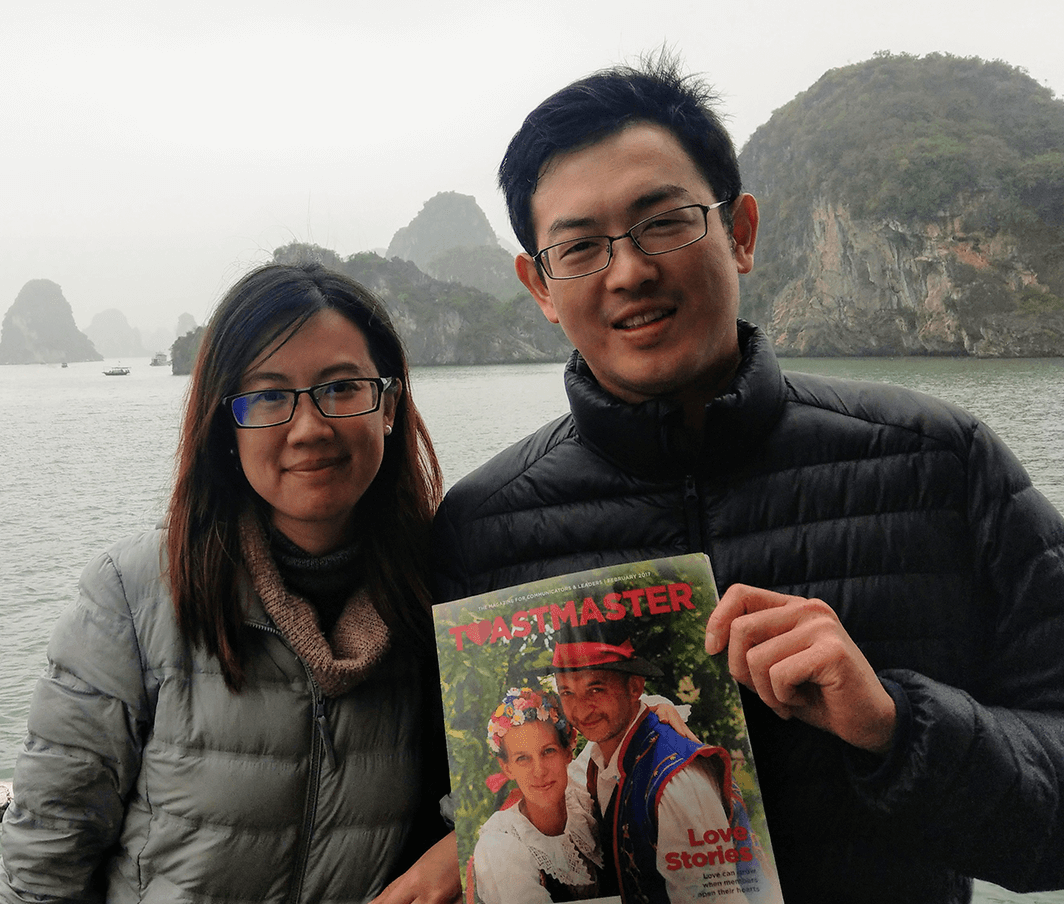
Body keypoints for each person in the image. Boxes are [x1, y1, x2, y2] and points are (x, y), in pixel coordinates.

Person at [431, 54, 1064, 904]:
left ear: (742, 233)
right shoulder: (480, 530)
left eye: (665, 223)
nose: (628, 272)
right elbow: (442, 807)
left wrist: (892, 726)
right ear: (540, 287)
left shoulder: (941, 464)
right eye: (579, 248)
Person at [0, 261, 455, 903]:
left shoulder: (442, 591)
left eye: (342, 387)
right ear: (225, 427)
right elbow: (46, 860)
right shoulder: (135, 595)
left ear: (390, 406)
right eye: (267, 395)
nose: (309, 428)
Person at [550, 638, 768, 904]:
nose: (581, 710)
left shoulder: (677, 784)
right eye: (567, 693)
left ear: (635, 687)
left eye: (596, 689)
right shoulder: (600, 756)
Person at [469, 683, 605, 903]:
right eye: (522, 758)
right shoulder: (500, 844)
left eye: (548, 751)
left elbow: (632, 709)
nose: (539, 771)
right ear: (507, 767)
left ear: (568, 752)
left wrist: (660, 714)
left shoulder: (580, 797)